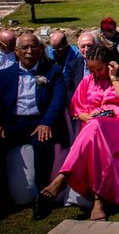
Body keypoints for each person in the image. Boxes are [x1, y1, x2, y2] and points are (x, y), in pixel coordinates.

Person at [40, 44, 119, 221]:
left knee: (95, 128)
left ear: (109, 64)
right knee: (95, 132)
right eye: (91, 69)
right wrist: (89, 116)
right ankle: (97, 200)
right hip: (93, 126)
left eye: (99, 69)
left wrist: (113, 78)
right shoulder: (88, 81)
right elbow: (76, 109)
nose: (94, 73)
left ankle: (64, 175)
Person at [0, 33, 67, 219]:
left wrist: (46, 122)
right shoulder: (5, 75)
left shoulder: (53, 71)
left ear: (40, 49)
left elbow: (58, 100)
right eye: (24, 48)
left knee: (42, 145)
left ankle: (41, 197)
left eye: (34, 47)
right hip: (13, 123)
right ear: (16, 51)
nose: (29, 52)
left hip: (39, 122)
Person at [65, 31, 98, 107]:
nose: (86, 49)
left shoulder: (105, 64)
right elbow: (68, 89)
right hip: (78, 107)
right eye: (83, 46)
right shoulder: (72, 65)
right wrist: (76, 107)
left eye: (89, 45)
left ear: (97, 46)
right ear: (78, 48)